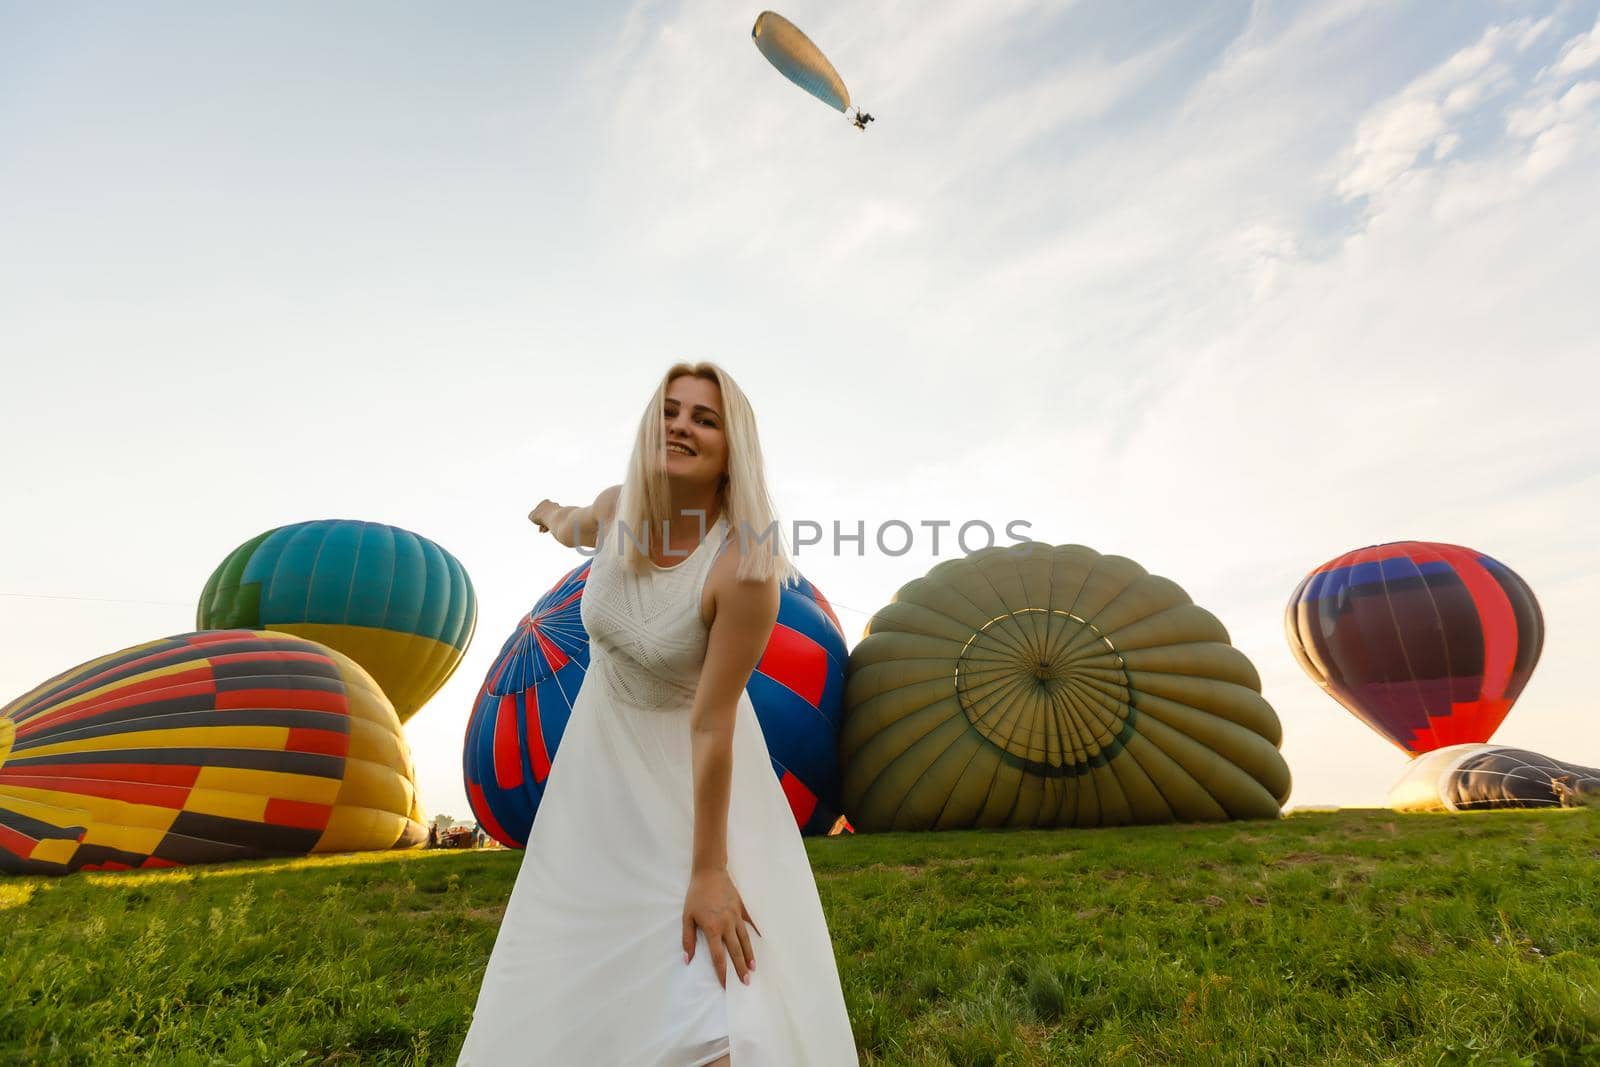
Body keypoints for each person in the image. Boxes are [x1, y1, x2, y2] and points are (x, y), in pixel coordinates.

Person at [457, 363, 857, 1066]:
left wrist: (708, 869)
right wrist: (548, 510)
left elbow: (713, 722)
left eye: (704, 418)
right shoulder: (617, 509)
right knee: (587, 977)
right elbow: (571, 525)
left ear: (733, 448)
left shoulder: (744, 569)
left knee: (712, 998)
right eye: (670, 411)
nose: (680, 425)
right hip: (597, 781)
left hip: (690, 792)